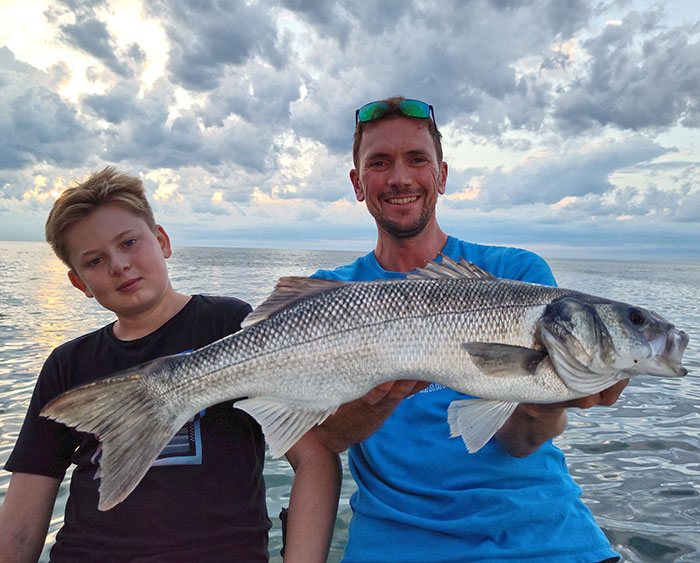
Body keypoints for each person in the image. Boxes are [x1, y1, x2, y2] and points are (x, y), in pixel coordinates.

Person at [312, 97, 625, 562]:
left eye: (417, 159)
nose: (400, 178)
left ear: (441, 175)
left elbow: (518, 443)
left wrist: (547, 400)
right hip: (397, 546)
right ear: (358, 184)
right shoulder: (330, 295)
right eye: (380, 163)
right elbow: (322, 439)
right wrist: (381, 396)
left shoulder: (515, 274)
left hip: (544, 543)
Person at [0, 167, 341, 563]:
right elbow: (21, 522)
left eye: (129, 242)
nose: (119, 265)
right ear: (80, 284)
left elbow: (313, 457)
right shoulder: (68, 363)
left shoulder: (229, 324)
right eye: (95, 261)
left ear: (162, 240)